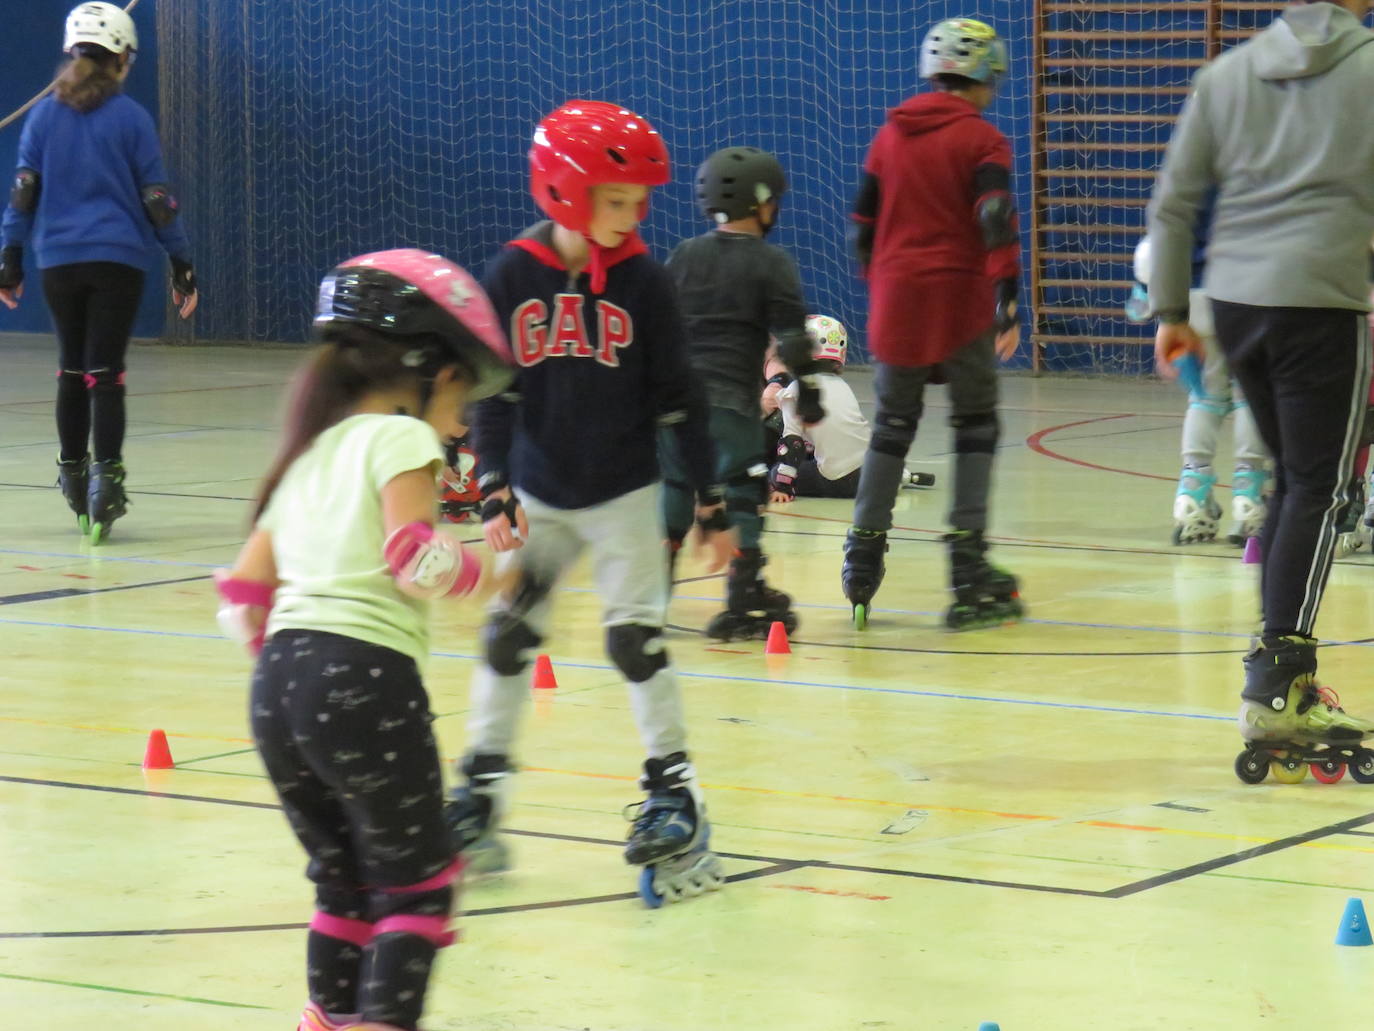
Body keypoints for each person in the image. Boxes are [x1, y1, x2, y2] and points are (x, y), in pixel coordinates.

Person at [216, 250, 513, 1031]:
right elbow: (414, 560)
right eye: (467, 392)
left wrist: (300, 678)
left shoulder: (309, 452)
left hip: (278, 687)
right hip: (362, 677)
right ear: (435, 372)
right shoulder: (401, 441)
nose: (467, 418)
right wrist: (497, 567)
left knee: (342, 882)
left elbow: (244, 595)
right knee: (419, 883)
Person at [446, 101, 731, 908]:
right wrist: (493, 483)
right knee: (508, 635)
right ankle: (479, 796)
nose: (635, 215)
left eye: (641, 200)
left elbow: (682, 399)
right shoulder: (511, 275)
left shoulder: (644, 280)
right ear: (565, 191)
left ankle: (677, 792)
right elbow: (492, 396)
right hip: (538, 495)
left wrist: (710, 502)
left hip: (624, 494)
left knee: (634, 642)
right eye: (618, 199)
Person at [1147, 0, 1374, 780]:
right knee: (1323, 486)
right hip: (1321, 300)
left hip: (1235, 304)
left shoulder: (1228, 72)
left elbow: (1174, 204)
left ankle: (1274, 672)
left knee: (1291, 484)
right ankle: (1283, 680)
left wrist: (1173, 312)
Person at [842, 16, 1024, 632]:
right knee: (976, 424)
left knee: (892, 426)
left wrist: (885, 288)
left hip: (896, 300)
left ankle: (862, 557)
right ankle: (968, 570)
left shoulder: (888, 137)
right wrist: (1008, 295)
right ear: (985, 73)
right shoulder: (982, 139)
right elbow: (994, 216)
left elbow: (861, 228)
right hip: (958, 298)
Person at [0, 2, 198, 543]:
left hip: (59, 261)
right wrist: (180, 261)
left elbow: (23, 193)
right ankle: (106, 482)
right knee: (105, 375)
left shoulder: (42, 116)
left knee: (70, 371)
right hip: (119, 260)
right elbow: (156, 199)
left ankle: (72, 471)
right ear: (123, 59)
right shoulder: (132, 118)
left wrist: (9, 259)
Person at [660, 145, 825, 639]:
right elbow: (794, 337)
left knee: (674, 487)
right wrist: (810, 392)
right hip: (731, 404)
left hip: (673, 405)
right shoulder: (769, 261)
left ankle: (648, 596)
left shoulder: (683, 256)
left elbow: (658, 331)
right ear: (762, 204)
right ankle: (743, 593)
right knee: (742, 489)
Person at [1127, 236, 1270, 545]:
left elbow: (1157, 244)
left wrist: (1156, 299)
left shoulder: (1185, 192)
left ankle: (1193, 489)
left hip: (1187, 296)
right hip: (1241, 286)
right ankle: (1250, 492)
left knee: (1204, 397)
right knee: (1250, 392)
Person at [766, 314, 934, 502]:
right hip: (870, 472)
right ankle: (903, 476)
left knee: (773, 472)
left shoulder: (796, 390)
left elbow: (792, 445)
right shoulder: (842, 387)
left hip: (838, 480)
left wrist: (782, 486)